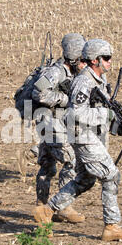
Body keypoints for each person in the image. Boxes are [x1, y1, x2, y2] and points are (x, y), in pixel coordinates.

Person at [32, 39, 122, 241]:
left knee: (86, 180)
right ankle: (111, 226)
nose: (109, 62)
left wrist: (118, 126)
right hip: (82, 136)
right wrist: (105, 115)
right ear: (95, 60)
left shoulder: (98, 80)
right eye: (106, 58)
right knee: (111, 175)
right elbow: (76, 114)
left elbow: (101, 111)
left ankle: (47, 211)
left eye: (110, 58)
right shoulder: (84, 81)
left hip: (89, 135)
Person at [31, 33, 87, 223]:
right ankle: (62, 207)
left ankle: (41, 206)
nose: (85, 64)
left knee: (47, 165)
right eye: (82, 60)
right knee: (71, 160)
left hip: (51, 123)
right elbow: (38, 93)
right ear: (74, 58)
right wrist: (66, 100)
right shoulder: (55, 72)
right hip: (49, 123)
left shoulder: (71, 72)